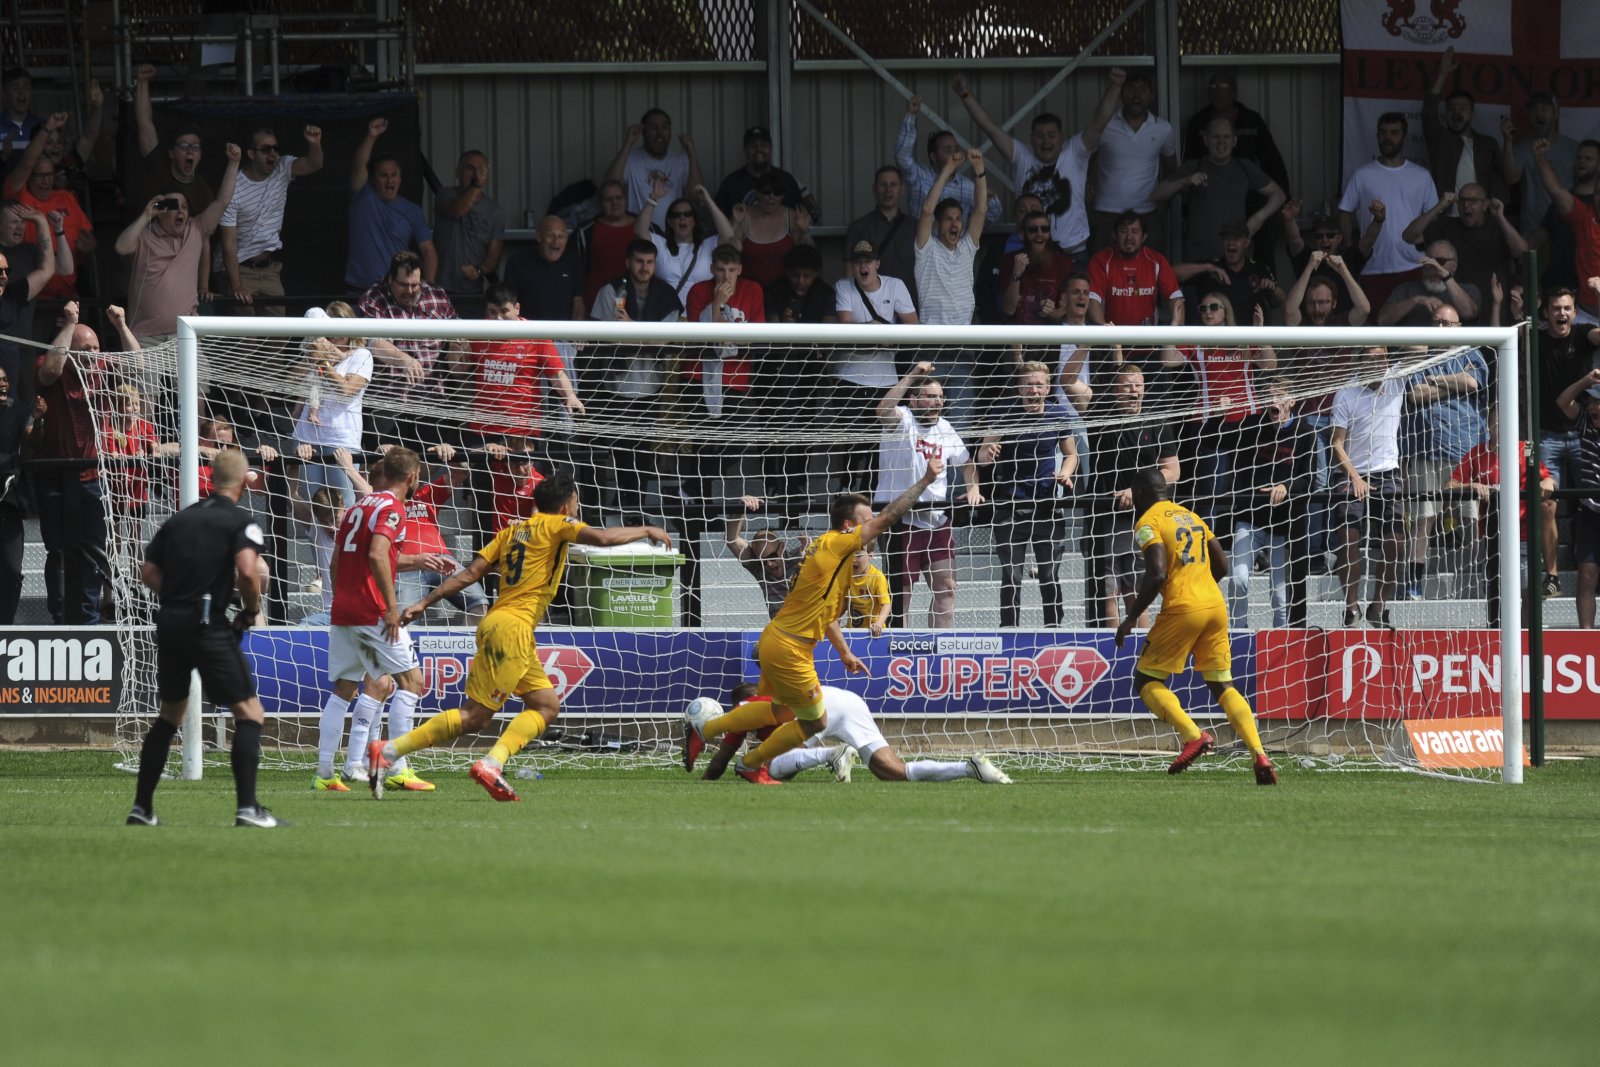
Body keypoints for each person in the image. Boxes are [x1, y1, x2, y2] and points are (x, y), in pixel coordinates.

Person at [369, 469, 673, 801]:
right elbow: (601, 539)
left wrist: (425, 602)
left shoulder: (510, 533)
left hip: (507, 626)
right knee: (475, 716)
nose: (577, 508)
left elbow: (470, 573)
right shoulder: (557, 525)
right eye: (576, 502)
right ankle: (390, 751)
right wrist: (645, 529)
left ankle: (492, 762)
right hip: (512, 629)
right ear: (566, 505)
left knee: (545, 705)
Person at [681, 458, 945, 783]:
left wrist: (845, 652)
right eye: (866, 519)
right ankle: (751, 763)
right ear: (849, 525)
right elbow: (891, 517)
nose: (872, 523)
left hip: (781, 640)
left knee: (779, 711)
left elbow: (827, 616)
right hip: (789, 647)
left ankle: (706, 730)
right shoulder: (838, 543)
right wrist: (926, 479)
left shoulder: (832, 556)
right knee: (815, 722)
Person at [128, 449, 279, 827]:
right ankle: (248, 809)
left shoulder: (179, 520)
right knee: (250, 713)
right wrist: (248, 611)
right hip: (207, 623)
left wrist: (179, 595)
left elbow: (148, 572)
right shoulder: (241, 521)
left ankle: (141, 809)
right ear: (246, 481)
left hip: (171, 621)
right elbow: (248, 572)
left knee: (169, 714)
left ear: (211, 479)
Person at [1114, 467, 1277, 785]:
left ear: (1142, 495)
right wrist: (1202, 589)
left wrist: (1132, 616)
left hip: (1183, 607)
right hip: (1215, 606)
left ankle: (1193, 735)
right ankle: (1259, 754)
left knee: (1146, 680)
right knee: (1222, 686)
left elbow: (1157, 573)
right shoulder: (1192, 517)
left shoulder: (1148, 522)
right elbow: (1223, 565)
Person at [314, 448, 434, 793]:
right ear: (412, 478)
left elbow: (338, 560)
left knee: (343, 690)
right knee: (412, 683)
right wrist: (391, 609)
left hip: (344, 609)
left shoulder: (356, 507)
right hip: (372, 612)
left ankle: (324, 774)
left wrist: (342, 597)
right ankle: (397, 766)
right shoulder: (393, 508)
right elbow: (377, 553)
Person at [955, 67, 1123, 266]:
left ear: (1062, 137)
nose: (1046, 142)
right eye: (1040, 136)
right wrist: (964, 94)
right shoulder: (1021, 155)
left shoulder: (1075, 151)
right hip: (1029, 254)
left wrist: (1116, 86)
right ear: (1031, 139)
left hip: (1073, 253)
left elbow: (1099, 122)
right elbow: (990, 128)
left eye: (1051, 136)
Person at [35, 302, 135, 625]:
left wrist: (120, 327)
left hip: (92, 476)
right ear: (70, 350)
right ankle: (61, 616)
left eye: (96, 347)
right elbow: (49, 370)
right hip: (54, 475)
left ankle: (89, 617)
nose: (93, 354)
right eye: (86, 349)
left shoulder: (102, 371)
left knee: (95, 550)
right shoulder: (54, 363)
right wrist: (70, 323)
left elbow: (137, 368)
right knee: (59, 551)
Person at [700, 684, 1011, 785]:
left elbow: (721, 763)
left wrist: (703, 774)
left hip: (821, 711)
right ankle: (968, 767)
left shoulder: (746, 709)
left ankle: (830, 754)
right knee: (892, 771)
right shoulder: (774, 694)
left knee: (767, 762)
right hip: (846, 701)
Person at [875, 365, 981, 629]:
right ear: (914, 399)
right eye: (930, 396)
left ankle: (941, 647)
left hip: (937, 522)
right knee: (902, 593)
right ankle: (901, 646)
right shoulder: (902, 420)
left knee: (946, 587)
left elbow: (967, 463)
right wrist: (912, 375)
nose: (937, 402)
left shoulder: (945, 427)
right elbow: (882, 410)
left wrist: (973, 488)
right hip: (901, 522)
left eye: (940, 397)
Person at [978, 362, 1078, 628]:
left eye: (1039, 384)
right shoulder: (1003, 412)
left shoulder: (1058, 413)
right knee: (1012, 575)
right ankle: (1009, 629)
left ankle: (1054, 628)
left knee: (1049, 574)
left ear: (1047, 388)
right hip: (1010, 505)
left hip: (1046, 505)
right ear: (1019, 387)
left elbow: (1071, 454)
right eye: (1029, 384)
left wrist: (1066, 473)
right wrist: (988, 454)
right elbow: (981, 455)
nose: (1034, 389)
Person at [1082, 363, 1179, 629]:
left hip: (1145, 519)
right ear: (1116, 390)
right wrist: (1086, 338)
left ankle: (1139, 652)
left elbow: (1172, 470)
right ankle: (1114, 652)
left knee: (1137, 590)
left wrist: (1137, 491)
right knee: (1108, 591)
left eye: (1138, 385)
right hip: (1105, 517)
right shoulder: (1102, 413)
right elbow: (1068, 383)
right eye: (1127, 384)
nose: (1133, 390)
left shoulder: (1157, 421)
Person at [1400, 309, 1488, 600]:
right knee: (1423, 518)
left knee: (1470, 519)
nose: (1440, 326)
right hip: (1423, 450)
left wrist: (1435, 380)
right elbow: (1414, 394)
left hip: (1465, 452)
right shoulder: (1419, 354)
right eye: (1436, 321)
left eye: (1447, 323)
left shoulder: (1471, 352)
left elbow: (1472, 383)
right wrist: (1455, 383)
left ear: (1459, 326)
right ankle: (1414, 582)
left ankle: (1478, 577)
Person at [117, 143, 242, 345]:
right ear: (161, 211)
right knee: (139, 378)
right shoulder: (144, 235)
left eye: (184, 207)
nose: (181, 212)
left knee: (201, 377)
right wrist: (146, 216)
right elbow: (121, 247)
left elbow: (222, 202)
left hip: (184, 334)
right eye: (173, 206)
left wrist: (233, 164)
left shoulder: (195, 229)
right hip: (145, 335)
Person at [1447, 404, 1558, 624]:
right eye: (1497, 423)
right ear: (1489, 426)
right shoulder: (1477, 453)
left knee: (1526, 591)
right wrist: (1471, 486)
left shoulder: (1526, 448)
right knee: (1496, 590)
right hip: (1490, 534)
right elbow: (1449, 485)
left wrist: (1547, 480)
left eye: (1507, 422)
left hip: (1522, 532)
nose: (1501, 428)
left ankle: (1526, 640)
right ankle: (1497, 634)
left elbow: (1547, 478)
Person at [1226, 376, 1314, 629]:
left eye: (1279, 397)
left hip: (1285, 526)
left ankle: (1282, 640)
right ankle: (1239, 633)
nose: (1273, 403)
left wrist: (1286, 487)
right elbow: (1215, 443)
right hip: (1251, 518)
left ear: (1291, 402)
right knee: (1238, 578)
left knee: (1280, 595)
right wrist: (1222, 416)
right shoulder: (1251, 426)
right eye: (1269, 397)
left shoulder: (1306, 432)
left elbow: (1310, 479)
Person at [1330, 347, 1405, 627]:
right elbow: (1336, 442)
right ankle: (1350, 607)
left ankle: (1378, 605)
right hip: (1352, 472)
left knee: (1396, 543)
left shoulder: (1397, 380)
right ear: (1361, 361)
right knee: (1349, 541)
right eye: (1371, 359)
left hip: (1388, 473)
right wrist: (1354, 477)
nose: (1377, 364)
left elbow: (1418, 350)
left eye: (1381, 358)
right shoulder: (1346, 392)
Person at [218, 124, 324, 314]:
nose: (273, 154)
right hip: (240, 269)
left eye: (276, 149)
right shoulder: (233, 187)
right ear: (251, 153)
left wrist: (314, 143)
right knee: (246, 339)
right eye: (266, 149)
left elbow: (314, 164)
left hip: (269, 270)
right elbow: (229, 243)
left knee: (278, 336)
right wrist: (237, 287)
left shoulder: (282, 168)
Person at [1338, 113, 1438, 311]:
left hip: (1414, 267)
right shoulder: (1362, 175)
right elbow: (1344, 212)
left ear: (1404, 137)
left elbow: (1434, 219)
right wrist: (1351, 250)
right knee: (1375, 334)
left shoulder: (1422, 176)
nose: (1388, 138)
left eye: (1394, 133)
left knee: (1414, 335)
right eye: (1383, 133)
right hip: (1372, 268)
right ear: (1376, 136)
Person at [1154, 116, 1286, 264]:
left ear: (1234, 141)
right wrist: (1186, 180)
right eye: (1215, 136)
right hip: (1198, 261)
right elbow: (1157, 194)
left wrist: (1259, 218)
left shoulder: (1245, 168)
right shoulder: (1193, 167)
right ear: (1206, 140)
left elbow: (1279, 195)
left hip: (1233, 261)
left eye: (1226, 137)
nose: (1221, 141)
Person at [1402, 184, 1525, 324]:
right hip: (1459, 308)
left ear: (1485, 205)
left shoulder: (1498, 227)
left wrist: (1501, 218)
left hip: (1493, 305)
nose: (1466, 205)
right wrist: (1439, 206)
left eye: (1473, 201)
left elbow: (1523, 253)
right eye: (1462, 201)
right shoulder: (1448, 226)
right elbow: (1409, 236)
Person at [1088, 70, 1179, 252]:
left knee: (1149, 271)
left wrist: (1164, 204)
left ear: (1151, 96)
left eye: (1143, 90)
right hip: (1107, 209)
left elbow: (1172, 170)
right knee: (1102, 269)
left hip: (1147, 212)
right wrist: (1085, 183)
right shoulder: (1105, 125)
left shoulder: (1163, 128)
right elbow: (1085, 157)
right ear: (1121, 94)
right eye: (1131, 89)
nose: (1136, 95)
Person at [345, 116, 435, 291]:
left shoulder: (412, 210)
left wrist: (428, 289)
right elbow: (358, 167)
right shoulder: (363, 197)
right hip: (359, 290)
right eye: (383, 175)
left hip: (396, 292)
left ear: (400, 179)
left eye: (394, 175)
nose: (389, 180)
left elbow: (428, 251)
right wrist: (372, 136)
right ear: (372, 179)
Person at [1180, 70, 1291, 208]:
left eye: (1224, 88)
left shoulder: (1252, 121)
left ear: (1234, 92)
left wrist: (1284, 203)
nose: (1218, 92)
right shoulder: (1198, 123)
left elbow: (1273, 162)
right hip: (1209, 200)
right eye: (1213, 88)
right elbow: (1187, 165)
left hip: (1250, 200)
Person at [1534, 289, 1600, 506]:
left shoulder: (1582, 334)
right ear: (1546, 313)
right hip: (1546, 434)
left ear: (1574, 314)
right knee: (1546, 502)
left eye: (1567, 308)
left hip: (1581, 432)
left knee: (1592, 498)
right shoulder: (1537, 339)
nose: (1561, 313)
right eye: (1555, 308)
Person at [914, 146, 989, 328]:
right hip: (933, 339)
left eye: (958, 219)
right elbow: (926, 210)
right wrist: (948, 169)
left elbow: (980, 210)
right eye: (948, 219)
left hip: (964, 338)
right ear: (937, 224)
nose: (955, 224)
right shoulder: (927, 248)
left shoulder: (967, 248)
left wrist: (979, 169)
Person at [895, 95, 1000, 224]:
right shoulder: (919, 177)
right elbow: (902, 157)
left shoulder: (969, 187)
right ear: (933, 156)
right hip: (922, 243)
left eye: (956, 149)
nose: (954, 153)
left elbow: (991, 219)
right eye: (947, 150)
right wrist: (911, 115)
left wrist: (990, 200)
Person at [1421, 49, 1506, 207]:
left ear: (1472, 114)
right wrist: (1442, 74)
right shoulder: (1439, 141)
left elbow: (1501, 182)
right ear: (1445, 115)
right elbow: (1428, 114)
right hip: (1446, 219)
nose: (1456, 113)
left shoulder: (1488, 144)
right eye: (1451, 109)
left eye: (1462, 108)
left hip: (1481, 221)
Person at [130, 63, 212, 226]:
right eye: (183, 146)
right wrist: (142, 82)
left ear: (200, 155)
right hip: (149, 245)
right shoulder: (159, 164)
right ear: (171, 153)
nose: (190, 151)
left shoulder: (203, 193)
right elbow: (144, 122)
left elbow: (204, 237)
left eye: (195, 148)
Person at [1533, 138, 1600, 321]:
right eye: (1597, 192)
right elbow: (1555, 190)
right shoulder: (1585, 217)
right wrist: (1540, 157)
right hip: (1586, 316)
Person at [634, 179, 735, 295]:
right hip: (668, 311)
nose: (682, 219)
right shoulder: (661, 244)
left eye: (687, 214)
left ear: (694, 221)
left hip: (701, 311)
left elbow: (728, 236)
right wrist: (653, 198)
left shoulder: (707, 245)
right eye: (677, 215)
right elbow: (640, 232)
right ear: (670, 222)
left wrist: (708, 201)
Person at [1553, 378, 1600, 628]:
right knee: (1586, 576)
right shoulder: (1586, 425)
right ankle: (1586, 637)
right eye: (1590, 402)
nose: (1592, 407)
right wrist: (1586, 381)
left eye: (1597, 402)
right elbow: (1563, 401)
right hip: (1590, 512)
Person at [433, 149, 505, 311]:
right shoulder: (445, 195)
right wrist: (476, 185)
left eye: (481, 170)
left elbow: (495, 255)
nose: (475, 174)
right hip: (440, 289)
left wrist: (480, 270)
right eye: (470, 168)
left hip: (472, 292)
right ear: (458, 172)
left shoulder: (495, 211)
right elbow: (458, 210)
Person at [1502, 89, 1578, 240]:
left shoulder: (1573, 148)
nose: (1539, 113)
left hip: (1567, 227)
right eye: (1534, 109)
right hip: (1533, 229)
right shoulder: (1521, 148)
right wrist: (1508, 142)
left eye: (1545, 108)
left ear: (1556, 114)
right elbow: (1511, 178)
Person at [1087, 211, 1183, 326]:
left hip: (1147, 337)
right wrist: (1105, 334)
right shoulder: (1101, 260)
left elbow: (1176, 299)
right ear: (1114, 235)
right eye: (1123, 231)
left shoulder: (1156, 260)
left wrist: (1179, 340)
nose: (1129, 237)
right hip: (1112, 337)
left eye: (1135, 231)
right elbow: (1092, 300)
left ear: (1144, 237)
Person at [1176, 220, 1281, 325]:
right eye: (1227, 238)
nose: (1231, 242)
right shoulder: (1211, 267)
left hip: (1250, 337)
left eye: (1236, 238)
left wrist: (1274, 289)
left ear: (1246, 243)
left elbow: (1282, 303)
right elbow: (1170, 274)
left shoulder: (1259, 269)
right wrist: (1207, 267)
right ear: (1222, 242)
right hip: (1215, 338)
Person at [604, 108, 704, 215]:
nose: (660, 133)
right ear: (643, 131)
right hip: (638, 230)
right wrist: (628, 143)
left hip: (672, 230)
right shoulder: (630, 159)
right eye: (654, 127)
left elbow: (697, 195)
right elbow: (609, 185)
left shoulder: (681, 160)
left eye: (664, 127)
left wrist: (691, 152)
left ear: (670, 131)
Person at [844, 165, 918, 308]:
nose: (888, 189)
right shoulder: (859, 227)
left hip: (909, 305)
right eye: (883, 184)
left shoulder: (915, 227)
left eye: (893, 184)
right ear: (874, 188)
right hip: (872, 307)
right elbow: (849, 274)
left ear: (902, 189)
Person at [725, 498, 807, 619]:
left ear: (782, 547)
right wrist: (740, 507)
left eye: (772, 557)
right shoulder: (759, 569)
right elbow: (732, 540)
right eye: (762, 560)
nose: (768, 564)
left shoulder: (802, 556)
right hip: (781, 631)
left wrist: (809, 559)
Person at [731, 171, 813, 288]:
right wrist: (735, 224)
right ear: (757, 193)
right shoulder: (742, 216)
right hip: (749, 290)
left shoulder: (793, 217)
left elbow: (808, 259)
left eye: (777, 192)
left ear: (783, 195)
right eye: (766, 192)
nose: (771, 197)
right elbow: (729, 253)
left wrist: (805, 231)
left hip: (783, 290)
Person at [714, 125, 814, 217]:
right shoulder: (731, 184)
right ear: (745, 150)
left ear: (770, 148)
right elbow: (719, 223)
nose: (759, 149)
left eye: (763, 145)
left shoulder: (786, 180)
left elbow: (802, 218)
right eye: (753, 145)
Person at [1376, 239, 1479, 327]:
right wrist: (1416, 300)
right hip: (1412, 350)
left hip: (1454, 350)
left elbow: (1469, 313)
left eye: (1440, 261)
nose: (1433, 266)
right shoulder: (1405, 289)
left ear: (1454, 266)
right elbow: (1382, 321)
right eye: (1429, 261)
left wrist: (1445, 276)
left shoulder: (1468, 290)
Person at [580, 179, 636, 309]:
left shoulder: (645, 228)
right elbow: (577, 271)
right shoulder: (586, 232)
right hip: (596, 306)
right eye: (608, 199)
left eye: (618, 198)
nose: (614, 202)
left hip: (637, 307)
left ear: (626, 199)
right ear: (600, 203)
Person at [1283, 251, 1371, 328]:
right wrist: (1309, 268)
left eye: (1322, 302)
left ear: (1334, 303)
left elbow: (1364, 309)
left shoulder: (1342, 323)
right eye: (1311, 302)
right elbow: (1290, 310)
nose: (1317, 309)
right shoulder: (1301, 325)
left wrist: (1344, 271)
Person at [843, 548, 890, 634]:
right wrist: (834, 618)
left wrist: (879, 623)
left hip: (873, 631)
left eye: (858, 556)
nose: (853, 560)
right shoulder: (847, 576)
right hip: (853, 631)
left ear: (870, 555)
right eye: (850, 555)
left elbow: (886, 605)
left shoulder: (877, 577)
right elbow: (845, 602)